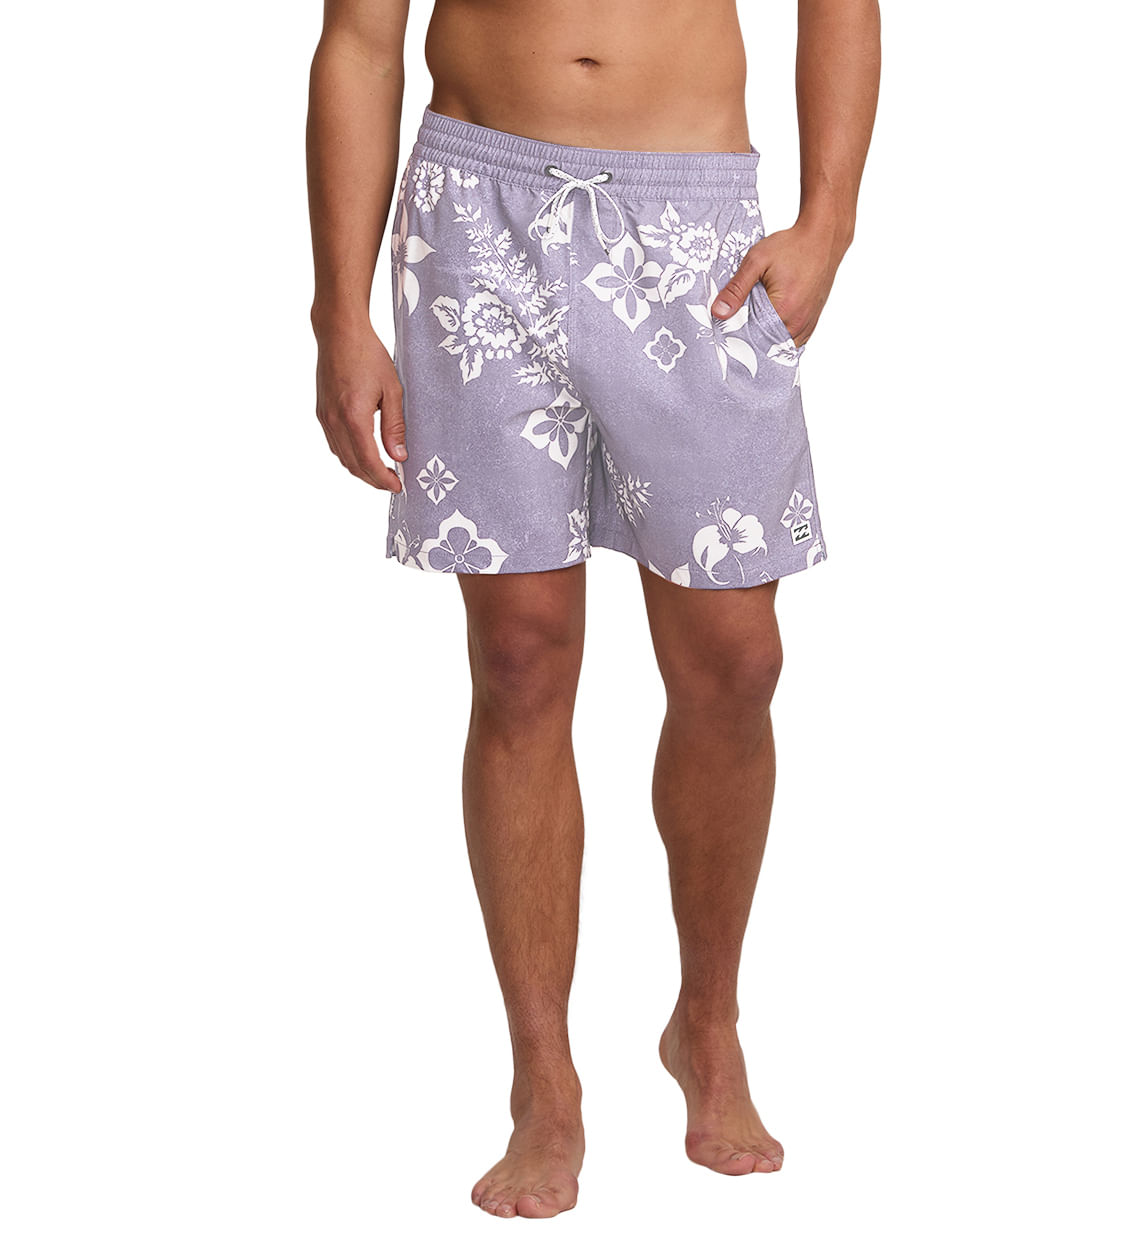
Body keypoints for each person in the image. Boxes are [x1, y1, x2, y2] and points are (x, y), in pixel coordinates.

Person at [307, 0, 880, 1220]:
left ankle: (705, 1021)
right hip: (475, 214)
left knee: (733, 659)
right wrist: (337, 312)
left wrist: (827, 219)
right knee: (517, 656)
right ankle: (542, 1081)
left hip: (690, 223)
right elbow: (358, 38)